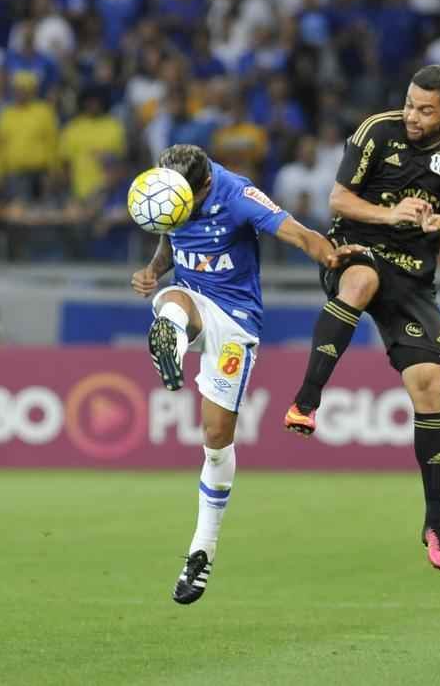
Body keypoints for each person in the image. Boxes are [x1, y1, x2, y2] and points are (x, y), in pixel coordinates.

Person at [129, 144, 361, 605]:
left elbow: (296, 233)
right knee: (170, 301)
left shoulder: (237, 195)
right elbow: (169, 234)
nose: (178, 208)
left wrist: (332, 258)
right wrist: (154, 269)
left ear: (205, 185)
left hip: (235, 322)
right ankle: (171, 341)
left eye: (186, 200)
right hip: (192, 301)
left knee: (216, 441)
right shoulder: (171, 192)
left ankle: (202, 550)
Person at [283, 64, 440, 571]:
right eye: (410, 103)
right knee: (360, 282)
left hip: (413, 276)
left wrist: (432, 220)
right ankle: (306, 400)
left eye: (425, 110)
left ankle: (436, 521)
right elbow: (338, 198)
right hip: (357, 247)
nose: (412, 115)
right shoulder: (377, 130)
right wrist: (390, 214)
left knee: (430, 385)